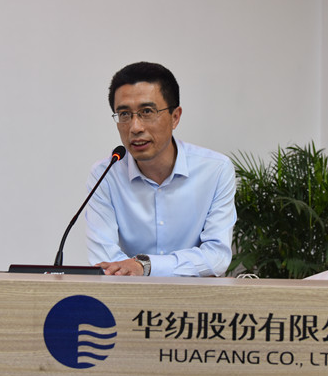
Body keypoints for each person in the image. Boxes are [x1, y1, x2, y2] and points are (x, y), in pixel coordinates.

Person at [85, 62, 236, 277]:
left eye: (147, 111)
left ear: (175, 117)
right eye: (125, 114)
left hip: (194, 297)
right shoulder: (106, 175)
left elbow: (216, 257)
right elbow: (107, 263)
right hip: (129, 295)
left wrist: (145, 267)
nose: (135, 127)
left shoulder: (216, 170)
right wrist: (137, 270)